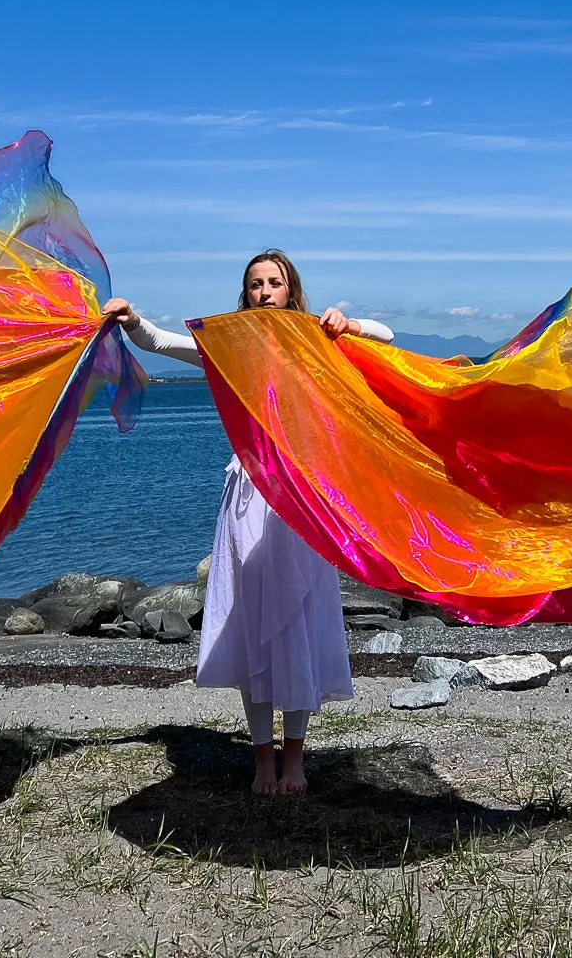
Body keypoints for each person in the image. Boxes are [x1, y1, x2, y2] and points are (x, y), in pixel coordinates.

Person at [103, 249, 394, 795]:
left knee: (299, 625)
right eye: (255, 284)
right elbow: (160, 343)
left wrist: (347, 323)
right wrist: (133, 320)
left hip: (304, 502)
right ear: (246, 295)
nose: (265, 291)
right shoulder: (230, 349)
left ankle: (295, 758)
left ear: (291, 291)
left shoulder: (319, 342)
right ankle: (262, 761)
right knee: (256, 628)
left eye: (275, 282)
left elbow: (386, 336)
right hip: (249, 495)